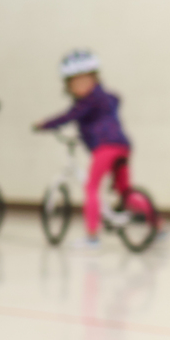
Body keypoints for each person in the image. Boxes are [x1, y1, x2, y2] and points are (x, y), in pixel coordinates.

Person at [33, 50, 156, 249]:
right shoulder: (106, 98)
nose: (80, 86)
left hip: (105, 146)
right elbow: (116, 99)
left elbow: (68, 116)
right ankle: (156, 225)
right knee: (125, 191)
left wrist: (45, 124)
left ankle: (92, 238)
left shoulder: (89, 101)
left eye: (85, 80)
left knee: (91, 187)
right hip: (122, 145)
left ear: (95, 78)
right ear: (68, 86)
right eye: (75, 82)